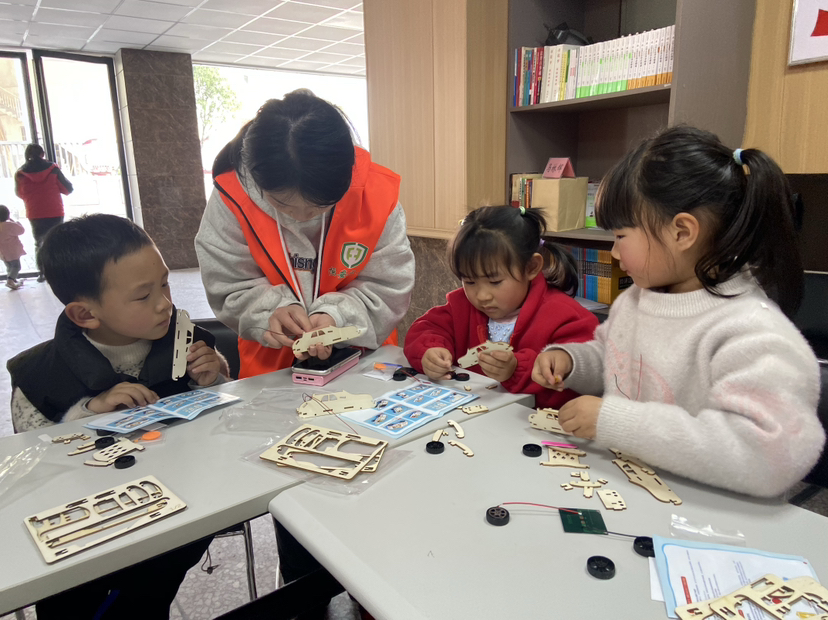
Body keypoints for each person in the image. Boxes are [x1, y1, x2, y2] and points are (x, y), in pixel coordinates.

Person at [531, 126, 825, 498]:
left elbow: (771, 458)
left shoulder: (751, 331)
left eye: (620, 236)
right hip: (634, 489)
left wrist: (619, 422)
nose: (615, 253)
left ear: (682, 232)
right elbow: (614, 358)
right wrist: (571, 362)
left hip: (709, 515)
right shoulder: (637, 300)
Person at [6, 214, 226, 619]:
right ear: (84, 315)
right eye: (143, 296)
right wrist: (87, 413)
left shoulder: (186, 341)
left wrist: (215, 377)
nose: (165, 303)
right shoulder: (40, 375)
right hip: (86, 533)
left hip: (178, 512)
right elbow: (31, 465)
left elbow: (225, 416)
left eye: (164, 283)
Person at [195, 90, 415, 378]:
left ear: (346, 177)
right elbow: (228, 285)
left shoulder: (375, 194)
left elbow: (389, 288)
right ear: (258, 181)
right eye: (282, 205)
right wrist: (271, 311)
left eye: (320, 206)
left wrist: (336, 316)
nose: (301, 217)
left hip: (364, 364)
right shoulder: (232, 196)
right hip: (271, 369)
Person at [404, 205, 599, 409]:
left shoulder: (565, 316)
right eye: (470, 281)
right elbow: (426, 329)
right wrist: (430, 351)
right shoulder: (461, 306)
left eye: (495, 282)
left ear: (531, 267)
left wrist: (516, 369)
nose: (482, 296)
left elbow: (580, 375)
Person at [14, 143, 73, 281]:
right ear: (42, 154)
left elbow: (19, 193)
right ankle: (59, 271)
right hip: (54, 210)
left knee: (39, 243)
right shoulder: (53, 169)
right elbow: (68, 188)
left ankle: (42, 272)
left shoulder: (20, 173)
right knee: (56, 241)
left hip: (35, 212)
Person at [0, 204, 25, 290]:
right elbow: (21, 230)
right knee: (16, 266)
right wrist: (15, 222)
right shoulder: (9, 225)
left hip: (2, 253)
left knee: (9, 266)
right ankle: (10, 280)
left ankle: (12, 279)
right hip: (12, 252)